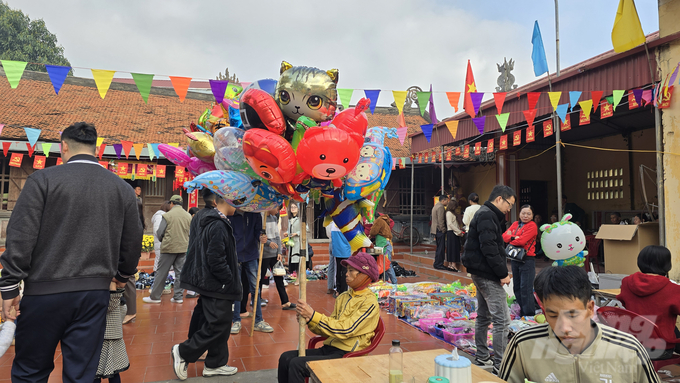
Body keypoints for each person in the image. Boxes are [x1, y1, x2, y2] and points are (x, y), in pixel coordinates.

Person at [0, 122, 142, 382]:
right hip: (93, 294)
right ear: (95, 148)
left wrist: (9, 285)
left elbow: (20, 237)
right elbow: (132, 242)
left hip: (43, 292)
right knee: (82, 374)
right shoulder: (122, 188)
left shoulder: (43, 179)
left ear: (63, 147)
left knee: (30, 370)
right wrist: (122, 275)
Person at [500, 266, 659, 383]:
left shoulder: (628, 348)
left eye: (573, 314)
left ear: (590, 308)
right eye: (553, 315)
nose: (564, 327)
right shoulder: (523, 344)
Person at [277, 252, 380, 383]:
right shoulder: (343, 297)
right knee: (285, 358)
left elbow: (346, 330)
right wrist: (310, 320)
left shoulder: (369, 302)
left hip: (347, 354)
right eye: (347, 270)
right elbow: (331, 327)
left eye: (351, 271)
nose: (346, 274)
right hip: (330, 347)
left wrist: (314, 315)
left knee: (297, 364)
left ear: (364, 275)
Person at [172, 192, 241, 380]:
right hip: (216, 283)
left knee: (219, 322)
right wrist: (228, 278)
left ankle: (216, 363)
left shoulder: (203, 216)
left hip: (204, 278)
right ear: (222, 200)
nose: (237, 204)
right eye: (234, 200)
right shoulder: (217, 223)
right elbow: (215, 258)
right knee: (219, 323)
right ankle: (184, 352)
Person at [461, 185, 515, 374]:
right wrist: (502, 274)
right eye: (509, 204)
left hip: (481, 271)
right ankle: (501, 365)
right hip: (486, 273)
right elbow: (489, 248)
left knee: (484, 316)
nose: (509, 209)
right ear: (500, 199)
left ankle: (483, 356)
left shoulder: (487, 214)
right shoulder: (486, 215)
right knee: (502, 320)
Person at [617, 245, 680, 356]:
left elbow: (625, 303)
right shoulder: (673, 288)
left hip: (633, 345)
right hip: (660, 349)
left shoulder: (626, 282)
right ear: (667, 264)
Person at [230, 209, 274, 334]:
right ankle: (236, 320)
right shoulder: (232, 214)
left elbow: (257, 232)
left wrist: (261, 237)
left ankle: (258, 321)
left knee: (256, 289)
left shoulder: (255, 214)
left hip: (251, 254)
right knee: (237, 289)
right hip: (236, 255)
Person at [143, 195, 192, 304]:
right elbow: (190, 233)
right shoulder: (188, 216)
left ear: (171, 203)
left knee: (162, 272)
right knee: (180, 273)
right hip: (183, 247)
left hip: (169, 247)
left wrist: (163, 240)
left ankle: (155, 297)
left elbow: (160, 233)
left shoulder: (167, 215)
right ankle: (178, 297)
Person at [502, 204, 538, 317]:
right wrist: (514, 237)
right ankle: (522, 311)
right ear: (519, 214)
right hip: (515, 258)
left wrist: (512, 237)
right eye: (523, 213)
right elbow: (504, 236)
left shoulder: (532, 226)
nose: (525, 216)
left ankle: (528, 314)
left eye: (528, 213)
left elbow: (522, 241)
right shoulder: (515, 224)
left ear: (532, 215)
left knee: (525, 287)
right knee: (516, 286)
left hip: (527, 259)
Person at [261, 206, 296, 310]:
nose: (277, 211)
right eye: (277, 208)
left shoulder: (274, 218)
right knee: (260, 278)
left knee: (279, 277)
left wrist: (279, 252)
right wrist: (268, 242)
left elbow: (277, 236)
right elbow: (259, 235)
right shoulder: (261, 218)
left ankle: (285, 302)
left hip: (274, 254)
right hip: (263, 254)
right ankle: (257, 299)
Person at [94, 283, 128, 383]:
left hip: (100, 337)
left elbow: (111, 305)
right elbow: (121, 310)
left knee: (95, 372)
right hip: (114, 335)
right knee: (114, 372)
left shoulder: (110, 296)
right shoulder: (117, 295)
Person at [369, 213, 397, 283]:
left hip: (384, 245)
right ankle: (386, 281)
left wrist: (370, 235)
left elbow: (373, 232)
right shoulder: (383, 221)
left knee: (387, 265)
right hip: (385, 244)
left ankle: (395, 283)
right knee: (385, 265)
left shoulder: (379, 221)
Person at [330, 221, 352, 295]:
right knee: (345, 272)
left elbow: (330, 236)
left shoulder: (333, 224)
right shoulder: (348, 224)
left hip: (337, 251)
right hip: (346, 251)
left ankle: (338, 290)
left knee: (338, 272)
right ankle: (344, 290)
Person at [445, 200, 464, 272]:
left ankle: (451, 264)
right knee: (453, 249)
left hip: (453, 232)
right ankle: (453, 265)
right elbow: (450, 224)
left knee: (451, 249)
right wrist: (458, 231)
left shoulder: (449, 213)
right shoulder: (449, 213)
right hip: (452, 232)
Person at [432, 195, 450, 271]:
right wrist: (443, 230)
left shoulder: (436, 206)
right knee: (441, 248)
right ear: (443, 200)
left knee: (439, 247)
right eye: (447, 201)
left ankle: (437, 263)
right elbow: (441, 220)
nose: (447, 202)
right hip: (439, 230)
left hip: (435, 229)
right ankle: (439, 264)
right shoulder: (440, 207)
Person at [325, 222, 336, 295]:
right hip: (336, 243)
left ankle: (330, 287)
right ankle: (335, 286)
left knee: (331, 265)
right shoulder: (336, 220)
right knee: (336, 265)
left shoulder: (327, 221)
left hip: (330, 242)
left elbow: (328, 234)